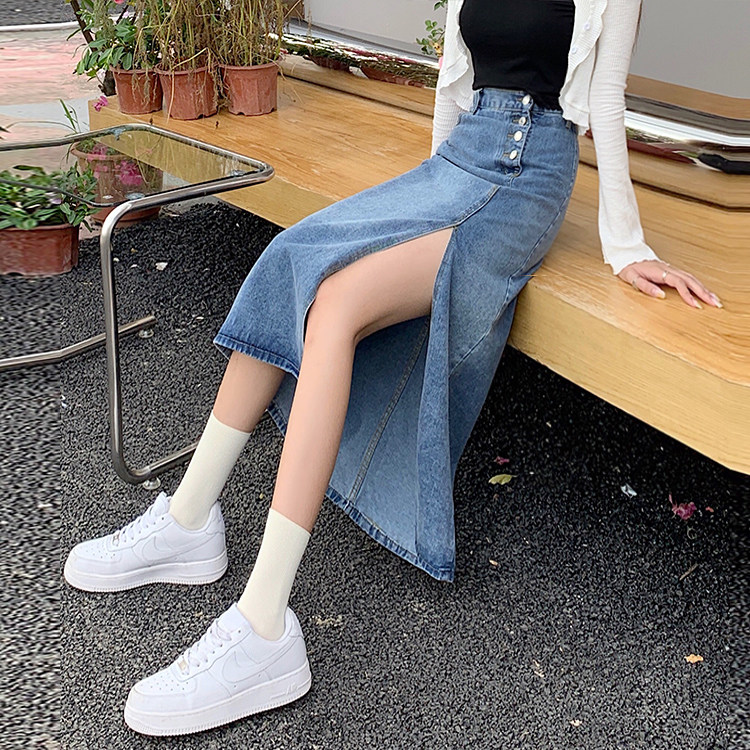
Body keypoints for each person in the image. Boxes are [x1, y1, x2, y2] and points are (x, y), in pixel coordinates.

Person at [64, 0, 722, 737]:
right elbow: (453, 81)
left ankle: (264, 625)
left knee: (337, 307)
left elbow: (606, 98)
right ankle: (190, 519)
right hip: (456, 165)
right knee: (289, 258)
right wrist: (423, 197)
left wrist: (628, 248)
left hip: (524, 181)